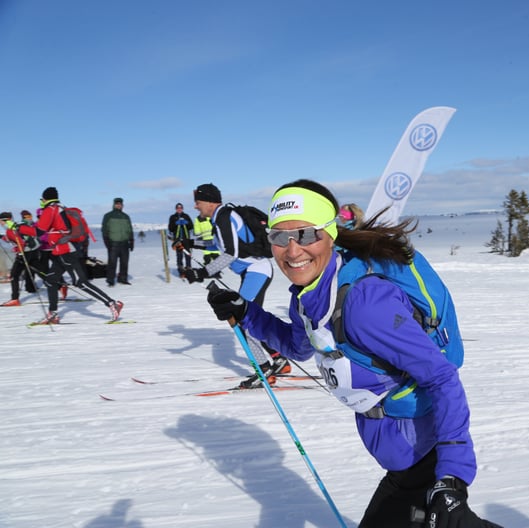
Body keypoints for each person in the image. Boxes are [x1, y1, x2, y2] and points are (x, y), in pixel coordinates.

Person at [206, 179, 502, 528]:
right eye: (278, 237)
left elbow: (441, 377)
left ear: (330, 233)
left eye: (305, 234)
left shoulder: (365, 304)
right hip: (401, 456)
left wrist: (451, 479)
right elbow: (298, 347)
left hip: (427, 456)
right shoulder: (308, 293)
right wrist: (247, 313)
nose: (291, 249)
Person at [180, 183, 288, 387]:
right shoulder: (221, 217)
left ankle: (265, 370)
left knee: (243, 320)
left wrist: (202, 272)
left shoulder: (223, 217)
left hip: (256, 271)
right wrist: (190, 243)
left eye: (198, 202)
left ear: (210, 201)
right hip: (253, 272)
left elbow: (231, 253)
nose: (195, 206)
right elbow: (219, 244)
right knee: (251, 318)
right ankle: (278, 358)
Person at [17, 187, 123, 324]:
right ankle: (53, 314)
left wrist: (20, 228)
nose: (41, 202)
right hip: (60, 251)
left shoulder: (51, 209)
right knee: (50, 280)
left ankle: (112, 303)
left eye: (42, 199)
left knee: (80, 282)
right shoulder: (60, 207)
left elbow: (39, 231)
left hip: (65, 251)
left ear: (45, 199)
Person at [1, 211, 39, 306]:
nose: (0, 224)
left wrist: (19, 251)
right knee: (40, 271)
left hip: (24, 253)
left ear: (5, 220)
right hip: (33, 251)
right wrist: (2, 237)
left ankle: (15, 299)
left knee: (14, 275)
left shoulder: (10, 230)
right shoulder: (17, 225)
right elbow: (15, 237)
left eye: (1, 221)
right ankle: (60, 286)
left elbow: (20, 242)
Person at [101, 197, 134, 286]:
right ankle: (110, 280)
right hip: (113, 243)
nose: (119, 205)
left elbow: (129, 229)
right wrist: (106, 241)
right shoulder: (108, 216)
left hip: (124, 243)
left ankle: (123, 279)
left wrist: (131, 240)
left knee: (124, 262)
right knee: (112, 263)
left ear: (122, 205)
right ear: (114, 205)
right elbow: (104, 229)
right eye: (117, 204)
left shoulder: (126, 216)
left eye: (120, 204)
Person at [168, 202, 193, 277]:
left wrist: (187, 223)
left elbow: (191, 226)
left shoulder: (186, 216)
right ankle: (181, 270)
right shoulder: (173, 217)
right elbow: (170, 228)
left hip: (186, 238)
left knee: (188, 254)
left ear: (182, 208)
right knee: (179, 255)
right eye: (178, 208)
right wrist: (176, 223)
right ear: (176, 209)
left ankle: (188, 269)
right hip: (177, 239)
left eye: (180, 208)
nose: (179, 209)